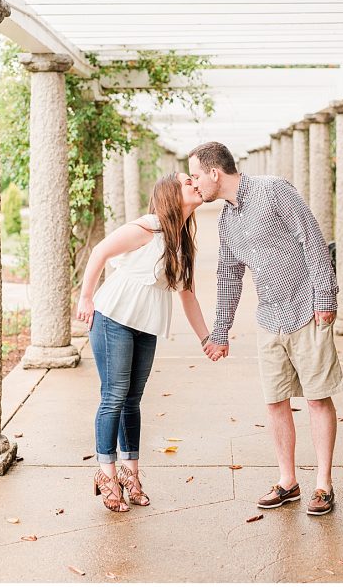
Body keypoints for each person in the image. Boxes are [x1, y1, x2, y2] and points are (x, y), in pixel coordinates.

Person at [187, 141, 343, 516]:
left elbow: (312, 238)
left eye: (196, 175)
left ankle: (323, 484)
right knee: (275, 401)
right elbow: (229, 275)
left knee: (317, 398)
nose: (195, 184)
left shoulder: (273, 190)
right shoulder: (227, 218)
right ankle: (288, 481)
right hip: (269, 320)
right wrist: (220, 331)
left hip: (306, 308)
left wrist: (325, 295)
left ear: (214, 172)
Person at [77, 172, 216, 513]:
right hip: (113, 318)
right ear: (171, 194)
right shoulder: (146, 228)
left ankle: (130, 473)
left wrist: (206, 338)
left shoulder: (181, 240)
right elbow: (99, 252)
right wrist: (85, 298)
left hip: (145, 326)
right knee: (114, 396)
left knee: (133, 400)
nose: (195, 183)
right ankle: (106, 474)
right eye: (188, 181)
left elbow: (187, 296)